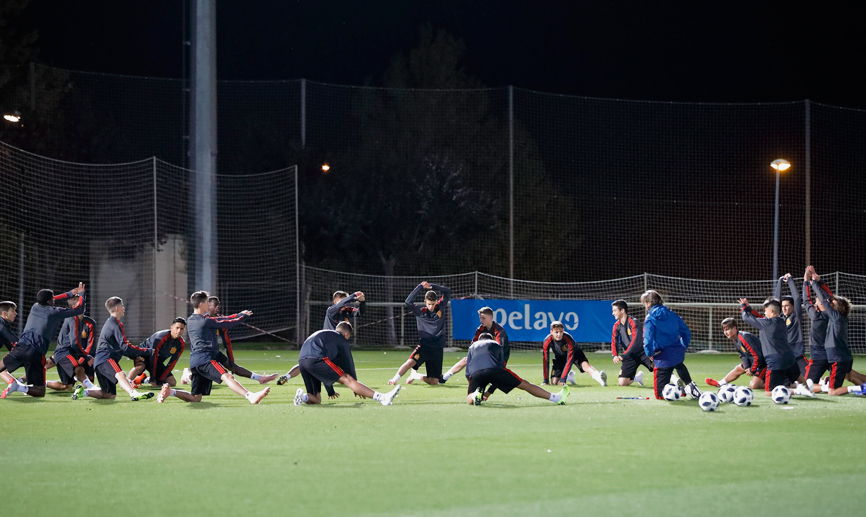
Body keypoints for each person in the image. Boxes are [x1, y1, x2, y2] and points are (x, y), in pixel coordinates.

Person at [157, 291, 269, 404]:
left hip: (195, 362)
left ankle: (171, 392)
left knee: (196, 397)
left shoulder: (190, 320)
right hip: (206, 360)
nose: (208, 305)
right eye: (206, 302)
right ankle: (250, 396)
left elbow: (222, 319)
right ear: (201, 304)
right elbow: (228, 323)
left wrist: (239, 314)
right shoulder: (205, 321)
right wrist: (243, 316)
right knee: (228, 377)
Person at [1, 283, 86, 399]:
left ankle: (16, 384)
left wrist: (69, 294)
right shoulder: (55, 312)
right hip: (35, 352)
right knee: (40, 391)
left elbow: (53, 299)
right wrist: (81, 293)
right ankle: (19, 387)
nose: (54, 300)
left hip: (21, 347)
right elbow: (80, 309)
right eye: (52, 299)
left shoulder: (35, 306)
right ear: (49, 301)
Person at [294, 322, 401, 405]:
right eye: (349, 337)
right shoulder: (341, 339)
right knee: (347, 379)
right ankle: (382, 398)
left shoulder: (326, 335)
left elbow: (327, 371)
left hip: (302, 362)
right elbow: (348, 364)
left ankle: (302, 397)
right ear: (346, 334)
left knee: (316, 399)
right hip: (316, 359)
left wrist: (330, 390)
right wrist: (355, 386)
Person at [70, 297, 155, 401]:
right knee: (120, 374)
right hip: (106, 358)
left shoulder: (110, 322)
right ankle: (134, 393)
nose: (124, 308)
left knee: (109, 394)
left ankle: (84, 392)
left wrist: (136, 354)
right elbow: (125, 347)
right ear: (117, 308)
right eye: (122, 306)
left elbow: (123, 348)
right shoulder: (115, 324)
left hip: (99, 362)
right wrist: (147, 351)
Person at [277, 290, 365, 387]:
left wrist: (362, 302)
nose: (345, 303)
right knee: (312, 362)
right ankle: (287, 376)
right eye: (342, 301)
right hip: (326, 345)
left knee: (341, 366)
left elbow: (360, 312)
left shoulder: (347, 311)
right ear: (336, 302)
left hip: (337, 345)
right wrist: (353, 296)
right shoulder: (331, 310)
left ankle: (348, 382)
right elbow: (342, 304)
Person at [181, 296, 278, 385]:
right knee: (215, 378)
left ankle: (260, 378)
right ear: (207, 305)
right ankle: (188, 376)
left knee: (232, 367)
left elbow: (227, 339)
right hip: (203, 355)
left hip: (213, 352)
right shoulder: (202, 320)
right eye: (215, 305)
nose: (218, 308)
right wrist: (242, 316)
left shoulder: (216, 320)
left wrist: (231, 360)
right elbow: (230, 321)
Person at [802, 267, 866, 393]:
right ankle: (862, 386)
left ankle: (860, 389)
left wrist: (812, 283)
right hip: (840, 356)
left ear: (838, 307)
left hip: (836, 358)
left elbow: (825, 300)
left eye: (833, 303)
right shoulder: (838, 316)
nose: (830, 303)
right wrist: (819, 281)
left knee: (832, 391)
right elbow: (829, 298)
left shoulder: (834, 317)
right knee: (851, 376)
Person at [739, 296, 814, 398]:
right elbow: (759, 317)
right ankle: (808, 390)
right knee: (798, 376)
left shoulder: (765, 323)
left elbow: (745, 318)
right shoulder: (782, 321)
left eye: (765, 311)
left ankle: (797, 391)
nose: (764, 314)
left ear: (771, 311)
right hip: (789, 357)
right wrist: (749, 308)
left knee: (769, 392)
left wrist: (744, 307)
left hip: (774, 360)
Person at [466, 333, 568, 406]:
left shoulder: (472, 347)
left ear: (479, 340)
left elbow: (468, 371)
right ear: (491, 338)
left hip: (475, 372)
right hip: (494, 370)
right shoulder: (496, 344)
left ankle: (475, 395)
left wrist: (478, 387)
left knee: (469, 398)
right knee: (525, 385)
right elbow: (500, 367)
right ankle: (556, 398)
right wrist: (490, 391)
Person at [640, 290, 701, 400]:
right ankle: (689, 385)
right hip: (677, 355)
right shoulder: (673, 314)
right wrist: (683, 346)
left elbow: (647, 340)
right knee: (679, 365)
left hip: (662, 358)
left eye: (644, 303)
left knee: (659, 395)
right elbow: (686, 332)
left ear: (648, 303)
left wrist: (650, 353)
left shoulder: (650, 319)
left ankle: (679, 389)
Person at [387, 281, 451, 386]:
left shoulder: (440, 308)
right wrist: (420, 287)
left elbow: (448, 291)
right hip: (424, 346)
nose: (431, 307)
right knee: (410, 362)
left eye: (433, 304)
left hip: (438, 348)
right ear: (425, 301)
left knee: (434, 381)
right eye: (429, 304)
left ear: (436, 302)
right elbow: (408, 302)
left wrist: (433, 286)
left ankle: (415, 375)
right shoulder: (421, 312)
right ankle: (394, 379)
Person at [440, 306, 510, 384]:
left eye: (483, 318)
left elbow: (500, 350)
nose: (481, 320)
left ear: (490, 317)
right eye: (480, 318)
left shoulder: (499, 331)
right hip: (487, 356)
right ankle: (444, 377)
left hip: (499, 359)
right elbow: (473, 345)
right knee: (466, 359)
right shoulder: (480, 329)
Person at [46, 295, 96, 392]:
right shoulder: (71, 319)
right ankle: (25, 381)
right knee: (48, 364)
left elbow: (91, 344)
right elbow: (71, 343)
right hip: (66, 353)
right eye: (80, 304)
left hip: (82, 354)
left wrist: (84, 357)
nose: (83, 306)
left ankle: (40, 384)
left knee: (67, 387)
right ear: (74, 307)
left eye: (84, 304)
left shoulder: (90, 322)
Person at [705, 318, 766, 391]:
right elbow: (743, 355)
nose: (725, 332)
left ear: (734, 328)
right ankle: (720, 383)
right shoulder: (735, 340)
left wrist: (752, 369)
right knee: (738, 368)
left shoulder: (744, 337)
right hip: (755, 362)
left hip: (764, 363)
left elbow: (758, 356)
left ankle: (777, 384)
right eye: (724, 330)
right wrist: (746, 367)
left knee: (754, 385)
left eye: (727, 329)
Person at [542, 321, 607, 387]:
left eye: (561, 332)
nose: (559, 334)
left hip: (575, 354)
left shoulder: (568, 339)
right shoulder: (547, 341)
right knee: (554, 382)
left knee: (585, 366)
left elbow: (569, 360)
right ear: (551, 332)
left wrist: (563, 379)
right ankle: (570, 376)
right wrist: (545, 380)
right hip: (560, 357)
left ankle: (601, 380)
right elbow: (545, 360)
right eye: (556, 332)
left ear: (563, 330)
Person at [126, 317, 187, 388]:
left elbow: (172, 363)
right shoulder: (160, 338)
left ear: (184, 330)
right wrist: (153, 378)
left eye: (181, 329)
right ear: (171, 328)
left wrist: (160, 379)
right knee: (140, 367)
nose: (179, 331)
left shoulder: (181, 344)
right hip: (144, 356)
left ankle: (143, 379)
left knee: (172, 382)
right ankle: (127, 382)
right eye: (177, 328)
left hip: (157, 361)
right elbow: (152, 356)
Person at [610, 300, 652, 386]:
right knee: (622, 383)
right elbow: (614, 341)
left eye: (614, 310)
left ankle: (675, 380)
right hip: (630, 356)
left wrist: (623, 355)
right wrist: (614, 355)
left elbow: (636, 342)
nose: (612, 313)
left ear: (622, 310)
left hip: (643, 352)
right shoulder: (616, 325)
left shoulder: (634, 322)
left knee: (657, 367)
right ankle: (637, 378)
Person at [774, 273, 808, 377]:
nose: (784, 308)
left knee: (810, 378)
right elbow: (776, 301)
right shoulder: (780, 317)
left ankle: (823, 382)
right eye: (782, 306)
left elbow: (797, 298)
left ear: (793, 306)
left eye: (787, 306)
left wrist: (790, 281)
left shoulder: (796, 316)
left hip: (797, 355)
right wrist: (780, 282)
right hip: (784, 355)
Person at [0, 301, 20, 387]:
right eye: (13, 311)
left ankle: (19, 386)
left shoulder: (4, 324)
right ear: (5, 313)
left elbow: (10, 344)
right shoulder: (1, 325)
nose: (15, 313)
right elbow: (15, 342)